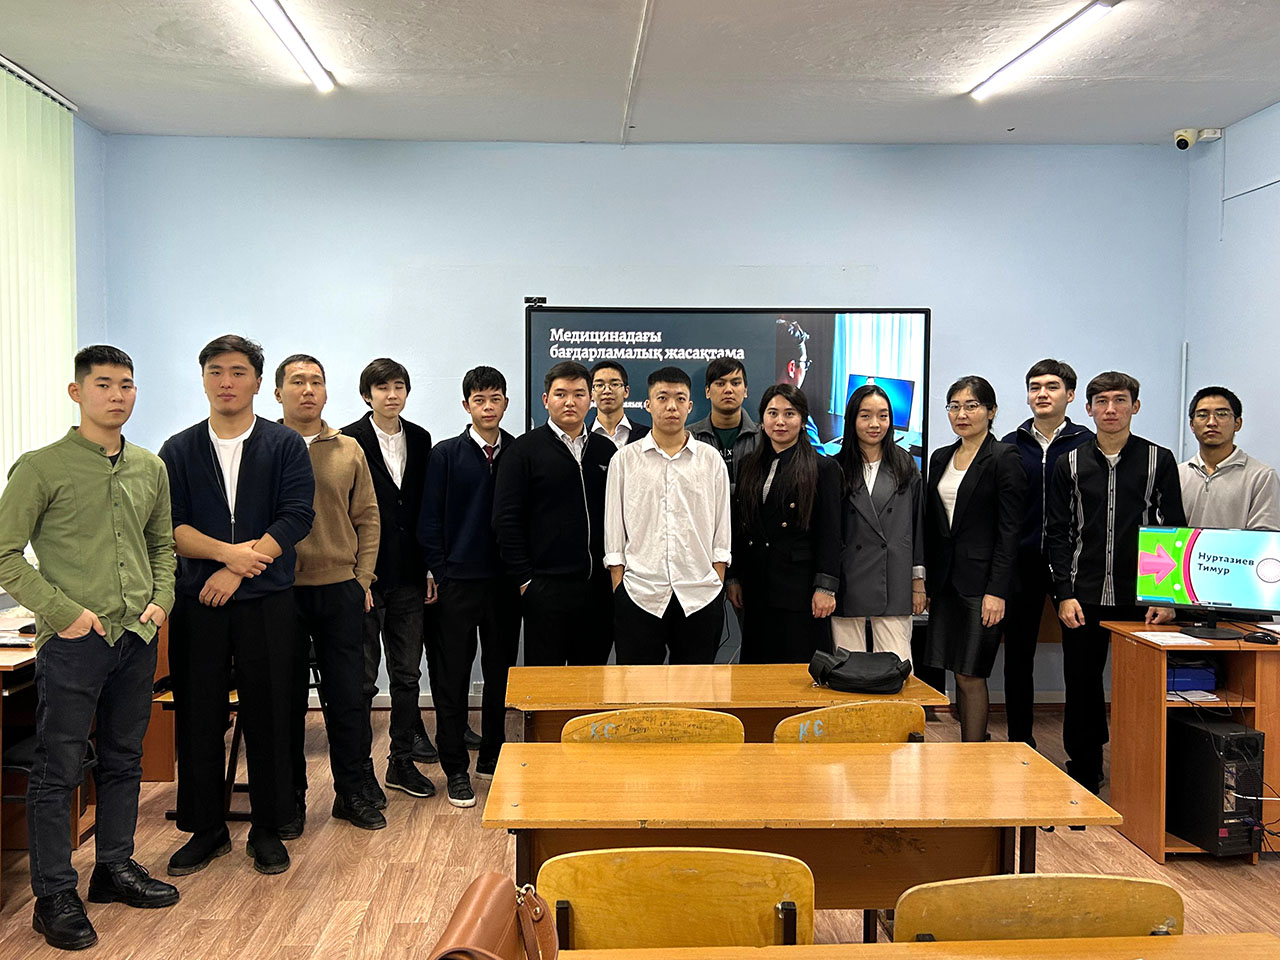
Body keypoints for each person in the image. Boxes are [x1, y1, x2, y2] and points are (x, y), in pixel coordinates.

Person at [0, 346, 179, 951]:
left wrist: (161, 601)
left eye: (126, 384)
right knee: (59, 768)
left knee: (124, 759)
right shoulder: (40, 467)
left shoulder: (150, 467)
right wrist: (64, 613)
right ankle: (53, 895)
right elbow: (4, 554)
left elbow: (161, 546)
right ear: (77, 393)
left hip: (137, 637)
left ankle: (114, 868)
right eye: (103, 384)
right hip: (75, 642)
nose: (117, 395)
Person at [159, 335, 314, 878]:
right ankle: (206, 829)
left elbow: (296, 516)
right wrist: (225, 556)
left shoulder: (284, 444)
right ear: (203, 379)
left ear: (257, 382)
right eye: (216, 371)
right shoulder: (178, 449)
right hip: (199, 601)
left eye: (238, 372)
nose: (227, 382)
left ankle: (269, 827)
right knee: (198, 715)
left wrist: (237, 569)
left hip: (267, 601)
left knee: (271, 713)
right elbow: (170, 526)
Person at [1046, 370, 1185, 792]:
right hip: (1082, 596)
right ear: (1088, 409)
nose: (1111, 409)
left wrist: (1166, 597)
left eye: (1120, 400)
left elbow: (1173, 529)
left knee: (1143, 688)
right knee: (1082, 685)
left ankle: (1143, 773)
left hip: (1140, 598)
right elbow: (1058, 532)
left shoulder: (1159, 460)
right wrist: (1063, 594)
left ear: (1135, 406)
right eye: (1102, 401)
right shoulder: (1069, 462)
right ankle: (1085, 768)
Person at [275, 355, 385, 833]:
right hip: (279, 593)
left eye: (316, 382)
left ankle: (352, 793)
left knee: (348, 699)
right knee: (285, 704)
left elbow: (368, 517)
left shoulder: (348, 449)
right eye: (297, 382)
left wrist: (362, 579)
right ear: (277, 392)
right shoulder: (265, 446)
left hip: (340, 590)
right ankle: (290, 801)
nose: (308, 390)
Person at [420, 366, 521, 808]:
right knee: (452, 678)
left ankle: (493, 757)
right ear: (466, 406)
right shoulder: (445, 454)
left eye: (495, 399)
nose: (488, 407)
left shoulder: (518, 452)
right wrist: (441, 573)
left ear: (505, 403)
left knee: (500, 676)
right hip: (457, 584)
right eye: (479, 400)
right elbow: (430, 520)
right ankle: (456, 769)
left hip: (505, 586)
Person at [342, 358, 440, 797]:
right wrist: (356, 575)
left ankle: (401, 761)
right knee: (362, 681)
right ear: (368, 395)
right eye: (382, 388)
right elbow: (343, 512)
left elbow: (425, 508)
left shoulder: (420, 438)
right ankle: (360, 769)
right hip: (365, 576)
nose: (391, 394)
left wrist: (430, 567)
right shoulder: (348, 440)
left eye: (399, 386)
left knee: (407, 675)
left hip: (410, 574)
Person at [605, 367, 732, 664]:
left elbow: (722, 529)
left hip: (700, 594)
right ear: (648, 404)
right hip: (640, 593)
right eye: (662, 398)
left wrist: (716, 578)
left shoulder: (710, 460)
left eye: (679, 398)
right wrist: (619, 585)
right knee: (636, 686)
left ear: (690, 405)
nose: (671, 406)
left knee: (696, 687)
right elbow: (614, 530)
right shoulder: (624, 460)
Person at [493, 360, 616, 665]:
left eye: (579, 394)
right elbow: (506, 521)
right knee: (546, 682)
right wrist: (526, 581)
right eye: (561, 394)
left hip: (598, 589)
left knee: (591, 681)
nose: (570, 402)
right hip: (545, 590)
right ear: (546, 399)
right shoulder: (523, 451)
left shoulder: (607, 451)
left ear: (591, 399)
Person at [923, 376, 1025, 743]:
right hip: (946, 582)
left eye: (971, 406)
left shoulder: (1004, 457)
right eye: (954, 406)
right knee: (955, 671)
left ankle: (975, 751)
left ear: (991, 411)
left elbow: (1010, 531)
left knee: (971, 672)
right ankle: (968, 749)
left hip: (983, 585)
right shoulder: (940, 457)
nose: (961, 414)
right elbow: (934, 525)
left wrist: (997, 591)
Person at [1000, 360, 1093, 747]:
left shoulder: (1088, 444)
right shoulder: (1010, 443)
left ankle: (1080, 751)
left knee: (1080, 661)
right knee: (1018, 658)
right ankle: (1020, 741)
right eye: (1035, 387)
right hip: (1021, 562)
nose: (1042, 393)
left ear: (1069, 395)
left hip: (1072, 565)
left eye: (1052, 386)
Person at [728, 384, 841, 663]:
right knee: (757, 670)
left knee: (799, 669)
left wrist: (825, 587)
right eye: (772, 413)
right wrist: (734, 576)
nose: (780, 421)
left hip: (800, 590)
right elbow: (740, 525)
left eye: (789, 414)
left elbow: (830, 533)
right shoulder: (749, 465)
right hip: (756, 585)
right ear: (762, 420)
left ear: (802, 420)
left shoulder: (822, 468)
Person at [831, 383, 926, 664]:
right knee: (848, 668)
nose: (875, 424)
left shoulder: (905, 465)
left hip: (894, 578)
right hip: (847, 579)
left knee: (898, 667)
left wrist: (918, 583)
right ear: (852, 419)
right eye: (866, 416)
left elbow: (917, 529)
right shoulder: (835, 468)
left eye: (883, 416)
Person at [1179, 386, 1280, 530]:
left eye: (1222, 414)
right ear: (1192, 425)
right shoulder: (1177, 474)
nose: (1211, 422)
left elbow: (1264, 536)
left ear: (1237, 424)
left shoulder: (1261, 477)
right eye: (1202, 415)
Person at [689, 357, 761, 485]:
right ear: (707, 392)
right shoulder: (689, 437)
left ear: (745, 391)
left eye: (735, 383)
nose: (728, 390)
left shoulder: (763, 437)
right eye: (720, 384)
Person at [588, 360, 650, 449]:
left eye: (614, 384)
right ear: (591, 394)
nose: (607, 391)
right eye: (599, 385)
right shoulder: (583, 439)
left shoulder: (647, 436)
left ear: (626, 391)